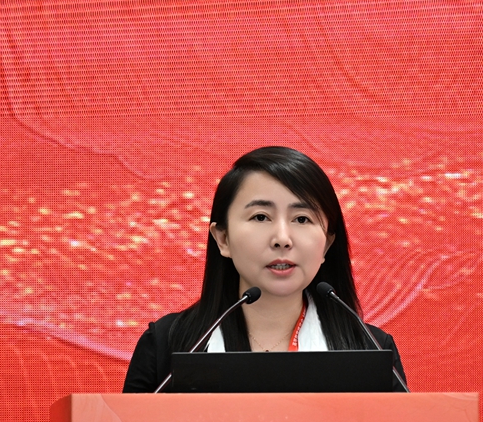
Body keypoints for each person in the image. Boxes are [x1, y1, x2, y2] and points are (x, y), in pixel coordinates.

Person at [122, 146, 407, 393]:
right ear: (223, 239)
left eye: (302, 219)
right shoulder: (167, 345)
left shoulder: (372, 350)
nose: (282, 238)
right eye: (261, 217)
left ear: (327, 244)